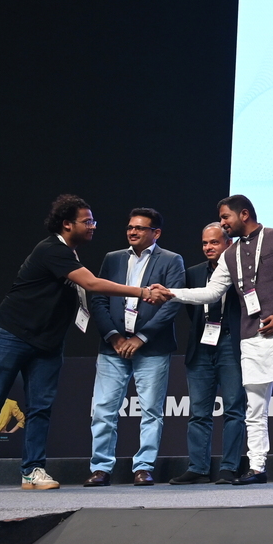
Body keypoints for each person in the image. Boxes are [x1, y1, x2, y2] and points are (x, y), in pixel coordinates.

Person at [0, 194, 156, 492]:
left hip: (47, 343)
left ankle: (32, 470)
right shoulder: (51, 249)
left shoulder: (70, 255)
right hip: (13, 334)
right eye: (87, 221)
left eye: (93, 221)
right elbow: (92, 284)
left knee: (40, 408)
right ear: (67, 224)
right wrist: (142, 292)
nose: (93, 226)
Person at [150, 195, 273, 485]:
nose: (223, 223)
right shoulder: (231, 254)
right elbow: (211, 292)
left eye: (225, 217)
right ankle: (257, 466)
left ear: (244, 214)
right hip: (252, 335)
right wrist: (172, 293)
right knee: (254, 408)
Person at [85, 208, 185, 487]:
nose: (132, 232)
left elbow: (172, 304)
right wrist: (114, 337)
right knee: (103, 409)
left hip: (151, 348)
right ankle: (100, 468)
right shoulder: (113, 258)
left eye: (140, 228)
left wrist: (141, 337)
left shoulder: (171, 260)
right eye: (130, 227)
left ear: (156, 233)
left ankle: (143, 467)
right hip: (113, 347)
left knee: (151, 410)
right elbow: (99, 299)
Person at [170, 223, 247, 485]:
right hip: (201, 343)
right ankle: (198, 468)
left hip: (230, 343)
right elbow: (191, 309)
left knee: (234, 409)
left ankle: (229, 467)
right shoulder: (193, 273)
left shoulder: (240, 271)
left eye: (214, 242)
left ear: (228, 243)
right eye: (205, 243)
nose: (208, 247)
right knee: (198, 412)